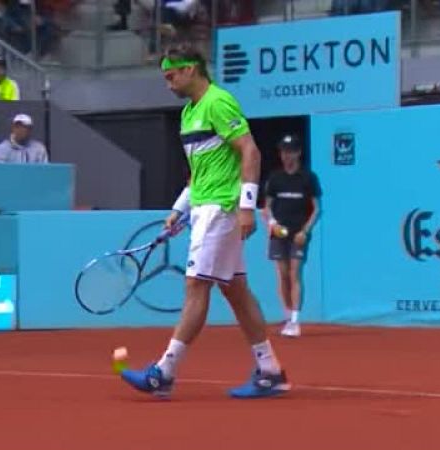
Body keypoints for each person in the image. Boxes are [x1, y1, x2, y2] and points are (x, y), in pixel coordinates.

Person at [120, 43, 290, 399]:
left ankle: (164, 373)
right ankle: (270, 370)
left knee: (196, 287)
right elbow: (199, 175)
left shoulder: (218, 102)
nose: (168, 84)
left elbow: (251, 151)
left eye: (171, 76)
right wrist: (179, 209)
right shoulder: (187, 114)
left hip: (221, 209)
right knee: (235, 290)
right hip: (204, 208)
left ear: (190, 69)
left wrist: (246, 206)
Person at [262, 134, 322, 338]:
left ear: (298, 153)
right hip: (278, 234)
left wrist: (305, 231)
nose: (286, 156)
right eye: (283, 152)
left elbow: (316, 209)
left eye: (290, 152)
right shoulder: (275, 178)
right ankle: (287, 317)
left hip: (299, 234)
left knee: (295, 273)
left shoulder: (308, 178)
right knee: (282, 275)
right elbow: (267, 208)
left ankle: (295, 321)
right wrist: (273, 224)